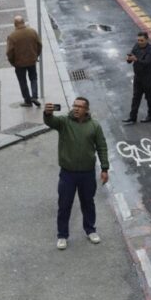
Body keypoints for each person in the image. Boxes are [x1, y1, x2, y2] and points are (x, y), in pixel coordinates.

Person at [43, 97, 110, 249]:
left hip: (87, 173)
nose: (76, 108)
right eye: (75, 106)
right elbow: (51, 122)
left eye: (80, 106)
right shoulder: (64, 122)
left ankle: (90, 230)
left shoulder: (94, 126)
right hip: (68, 173)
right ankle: (62, 235)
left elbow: (102, 147)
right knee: (64, 204)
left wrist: (105, 168)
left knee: (88, 203)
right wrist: (47, 114)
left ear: (86, 110)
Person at [7, 15, 42, 107]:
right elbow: (39, 45)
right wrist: (36, 55)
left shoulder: (12, 36)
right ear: (24, 22)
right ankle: (34, 96)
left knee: (23, 81)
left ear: (15, 24)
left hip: (19, 63)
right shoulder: (32, 32)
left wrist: (13, 62)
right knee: (33, 78)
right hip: (31, 61)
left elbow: (9, 52)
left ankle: (27, 101)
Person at [123, 31, 151, 123]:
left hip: (148, 77)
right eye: (138, 40)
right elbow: (132, 57)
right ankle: (132, 117)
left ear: (146, 40)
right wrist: (129, 59)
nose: (139, 42)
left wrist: (136, 59)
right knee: (136, 97)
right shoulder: (136, 46)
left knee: (149, 97)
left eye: (142, 40)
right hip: (138, 77)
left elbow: (147, 62)